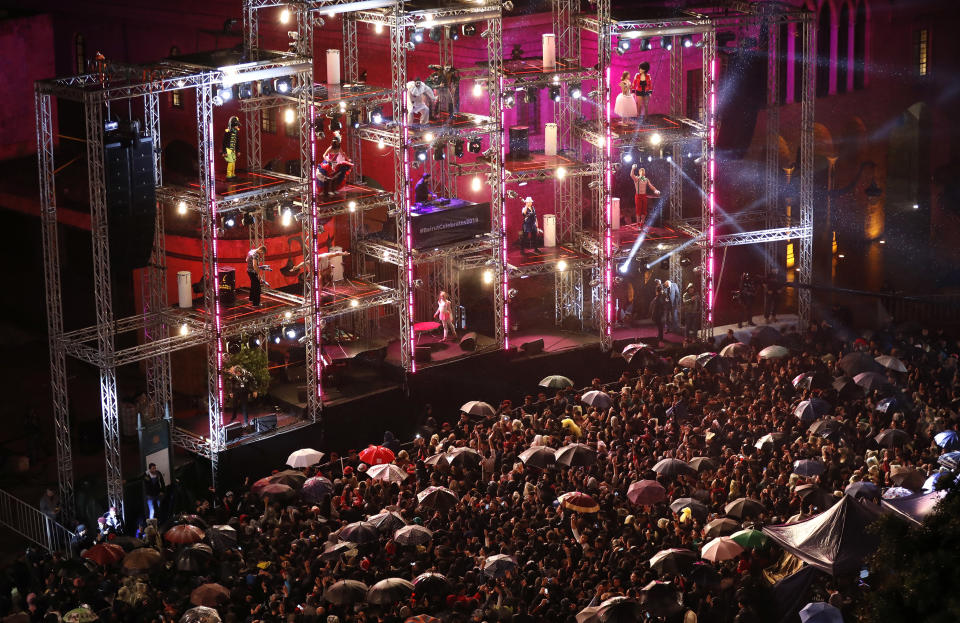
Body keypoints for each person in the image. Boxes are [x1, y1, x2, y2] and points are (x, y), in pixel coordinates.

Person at [222, 115, 240, 179]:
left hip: (233, 150)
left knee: (233, 162)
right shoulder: (227, 132)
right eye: (236, 125)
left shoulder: (236, 132)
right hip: (228, 149)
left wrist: (238, 150)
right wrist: (224, 152)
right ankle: (229, 175)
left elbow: (237, 142)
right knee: (231, 162)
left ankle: (232, 174)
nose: (237, 126)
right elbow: (224, 142)